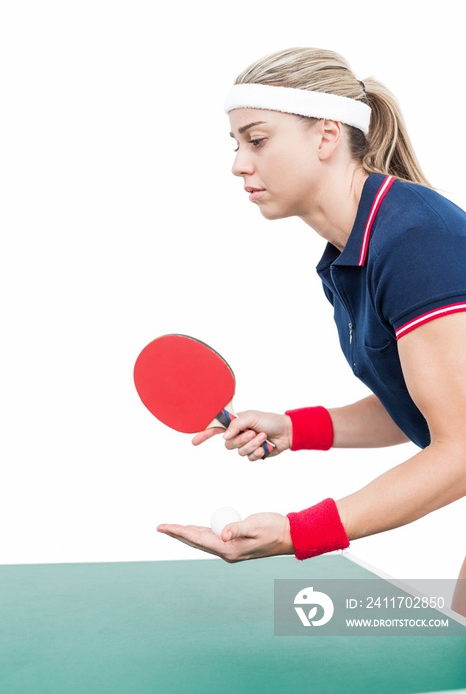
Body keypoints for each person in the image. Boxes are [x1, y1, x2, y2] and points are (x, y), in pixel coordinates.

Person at [157, 47, 466, 616]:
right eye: (236, 144)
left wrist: (299, 533)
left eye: (257, 139)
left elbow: (462, 448)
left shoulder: (415, 238)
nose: (239, 164)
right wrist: (294, 428)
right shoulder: (353, 253)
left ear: (326, 136)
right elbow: (423, 406)